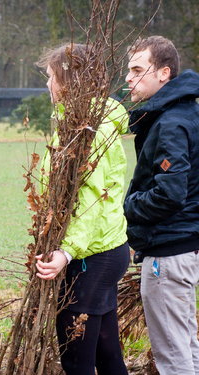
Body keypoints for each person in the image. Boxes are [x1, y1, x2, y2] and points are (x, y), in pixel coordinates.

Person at [34, 44, 130, 375]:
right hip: (104, 249)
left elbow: (90, 200)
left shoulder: (89, 132)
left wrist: (66, 251)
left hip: (91, 256)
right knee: (106, 353)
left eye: (51, 77)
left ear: (68, 81)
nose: (47, 85)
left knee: (77, 361)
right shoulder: (85, 124)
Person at [123, 36, 199, 375]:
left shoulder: (171, 123)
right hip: (185, 246)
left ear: (164, 73)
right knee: (186, 346)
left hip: (169, 253)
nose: (129, 78)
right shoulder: (185, 114)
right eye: (128, 70)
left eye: (138, 70)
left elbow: (169, 194)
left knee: (172, 355)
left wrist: (128, 207)